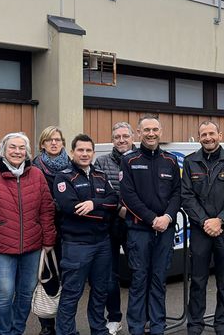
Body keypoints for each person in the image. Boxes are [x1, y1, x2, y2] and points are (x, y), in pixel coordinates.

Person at [0, 132, 57, 335]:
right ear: (3, 150)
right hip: (0, 246)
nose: (17, 151)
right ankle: (2, 331)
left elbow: (46, 209)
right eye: (12, 147)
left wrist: (48, 240)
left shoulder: (36, 174)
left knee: (26, 293)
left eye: (21, 148)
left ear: (27, 152)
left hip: (33, 246)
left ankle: (17, 329)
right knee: (4, 293)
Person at [181, 121, 224, 335]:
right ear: (199, 137)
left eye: (211, 133)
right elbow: (187, 197)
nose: (208, 138)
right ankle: (195, 324)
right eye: (203, 134)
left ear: (220, 135)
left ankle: (221, 324)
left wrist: (220, 220)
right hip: (201, 231)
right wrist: (205, 222)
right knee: (198, 280)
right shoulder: (191, 162)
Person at [119, 115, 182, 335]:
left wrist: (167, 217)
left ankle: (157, 327)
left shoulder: (171, 160)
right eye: (146, 130)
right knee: (138, 280)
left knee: (159, 280)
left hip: (164, 230)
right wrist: (151, 219)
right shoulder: (129, 160)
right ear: (139, 133)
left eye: (155, 129)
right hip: (139, 231)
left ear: (161, 132)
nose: (151, 133)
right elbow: (127, 195)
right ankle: (136, 328)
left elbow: (177, 193)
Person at [53, 134, 121, 335]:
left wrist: (94, 204)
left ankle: (98, 329)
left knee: (100, 291)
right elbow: (69, 207)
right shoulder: (63, 176)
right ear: (72, 152)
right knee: (72, 293)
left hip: (102, 243)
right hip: (76, 245)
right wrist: (103, 213)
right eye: (80, 150)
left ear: (93, 153)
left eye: (88, 150)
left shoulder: (100, 175)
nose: (84, 154)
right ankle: (66, 332)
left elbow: (113, 200)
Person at [93, 122, 136, 335]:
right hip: (109, 225)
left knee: (139, 272)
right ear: (113, 139)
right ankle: (114, 318)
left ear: (132, 137)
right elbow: (100, 193)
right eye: (117, 136)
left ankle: (140, 318)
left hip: (137, 225)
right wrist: (119, 208)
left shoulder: (141, 159)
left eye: (125, 136)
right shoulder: (101, 162)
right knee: (109, 275)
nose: (121, 139)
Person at [31, 126, 73, 335]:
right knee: (47, 276)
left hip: (69, 229)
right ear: (42, 144)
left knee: (68, 277)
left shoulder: (72, 166)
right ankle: (47, 325)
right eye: (49, 140)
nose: (54, 143)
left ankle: (66, 324)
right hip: (44, 229)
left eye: (57, 139)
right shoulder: (34, 168)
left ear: (63, 142)